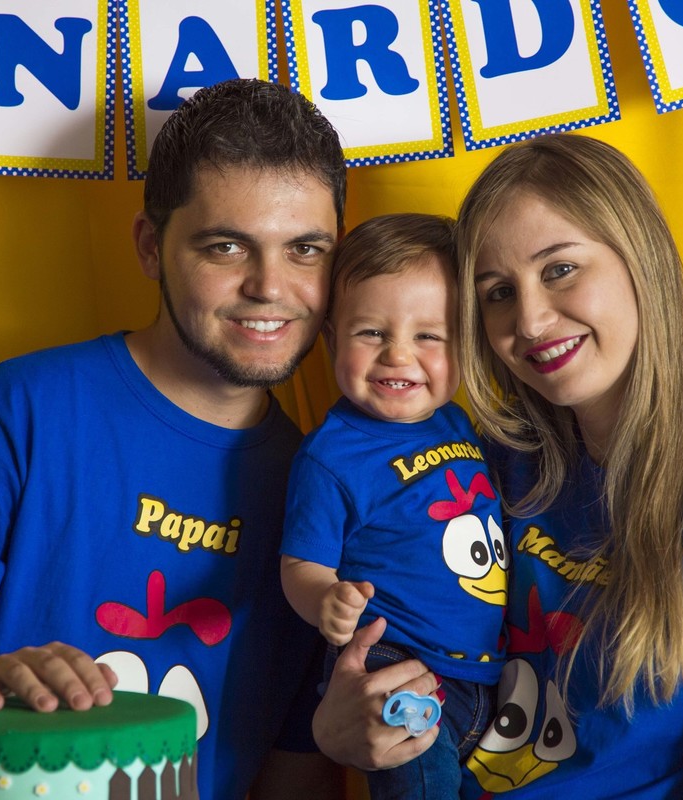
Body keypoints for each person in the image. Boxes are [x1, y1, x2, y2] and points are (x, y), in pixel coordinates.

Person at [0, 78, 348, 800]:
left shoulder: (326, 485)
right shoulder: (17, 414)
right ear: (151, 247)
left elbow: (295, 780)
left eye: (305, 249)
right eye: (226, 247)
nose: (270, 286)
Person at [312, 133, 683, 798]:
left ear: (641, 260)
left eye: (560, 269)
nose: (531, 320)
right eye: (498, 292)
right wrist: (337, 728)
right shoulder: (486, 464)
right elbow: (386, 645)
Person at [280, 214, 507, 798]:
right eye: (371, 333)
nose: (397, 356)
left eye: (429, 336)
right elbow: (300, 563)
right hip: (393, 661)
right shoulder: (331, 456)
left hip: (485, 671)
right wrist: (325, 599)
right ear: (331, 338)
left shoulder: (460, 423)